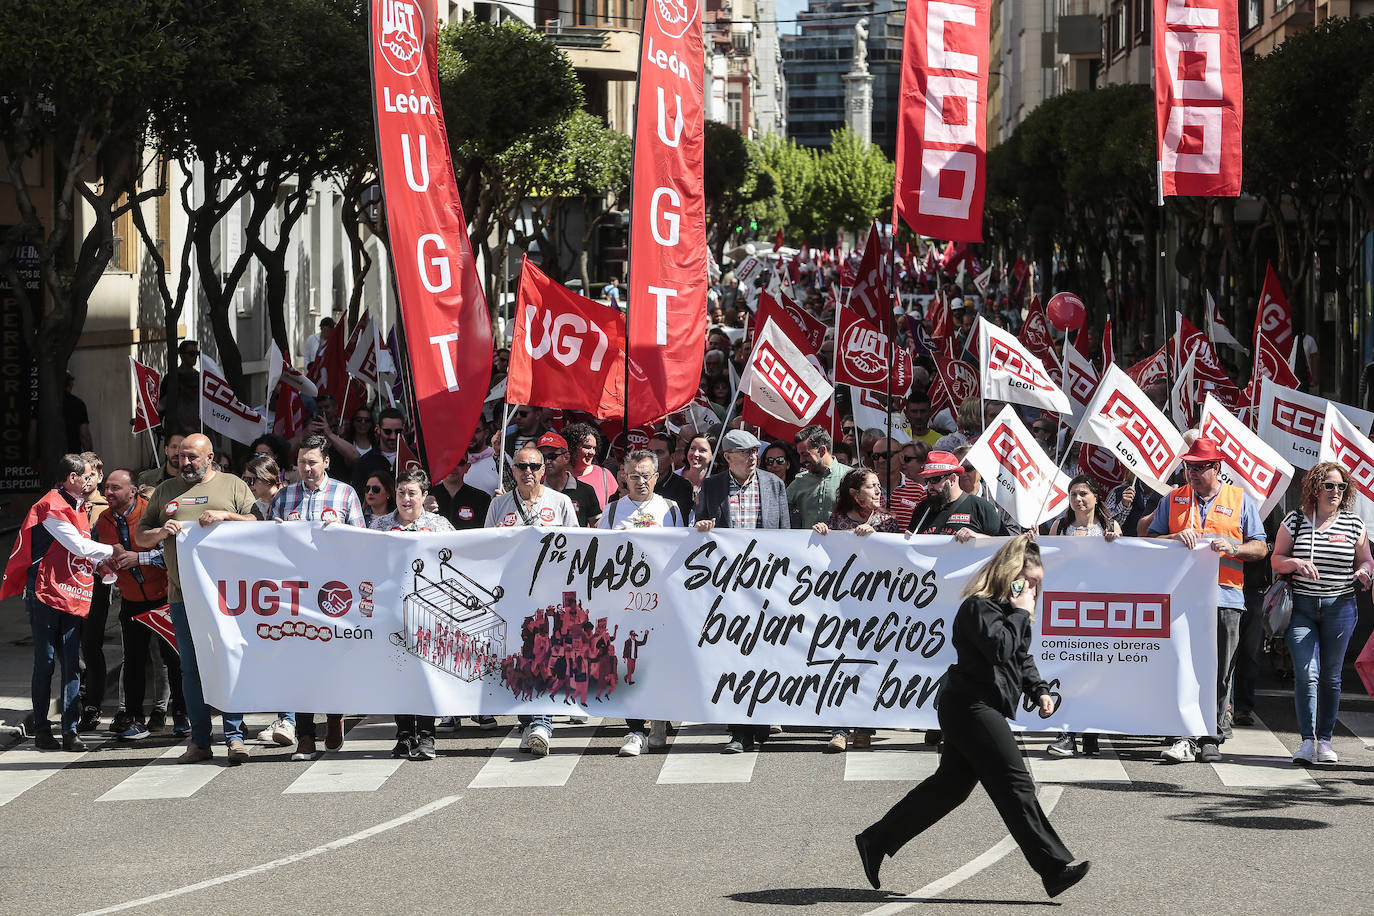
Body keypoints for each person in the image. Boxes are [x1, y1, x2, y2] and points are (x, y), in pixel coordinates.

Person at [855, 536, 1090, 899]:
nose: (1034, 588)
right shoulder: (978, 609)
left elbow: (1020, 658)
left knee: (949, 789)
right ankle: (1053, 869)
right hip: (969, 707)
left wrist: (1039, 690)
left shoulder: (1008, 612)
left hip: (980, 707)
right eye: (1029, 580)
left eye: (1037, 582)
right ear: (1012, 576)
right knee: (1016, 786)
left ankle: (875, 839)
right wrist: (1022, 612)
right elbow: (1000, 650)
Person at [135, 434, 257, 763]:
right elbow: (141, 536)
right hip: (182, 596)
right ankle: (199, 741)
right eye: (180, 456)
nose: (184, 462)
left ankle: (234, 737)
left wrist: (226, 516)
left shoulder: (233, 486)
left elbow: (258, 523)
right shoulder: (165, 491)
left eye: (192, 457)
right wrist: (161, 532)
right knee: (190, 669)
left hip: (227, 598)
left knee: (227, 661)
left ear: (210, 457)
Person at [1148, 437, 1267, 764]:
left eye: (1200, 467)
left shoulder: (1240, 500)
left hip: (1226, 596)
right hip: (1181, 597)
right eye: (1189, 466)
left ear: (1217, 468)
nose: (1192, 473)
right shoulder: (1173, 500)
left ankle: (1211, 735)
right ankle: (1181, 735)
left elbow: (1261, 547)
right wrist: (1173, 537)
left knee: (1220, 670)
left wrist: (1234, 548)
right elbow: (1150, 541)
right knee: (1181, 663)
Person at [1, 455, 130, 751]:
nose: (90, 481)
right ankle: (44, 730)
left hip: (71, 590)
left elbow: (80, 553)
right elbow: (79, 545)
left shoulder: (78, 506)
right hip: (45, 592)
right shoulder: (50, 506)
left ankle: (71, 730)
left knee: (73, 662)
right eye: (86, 476)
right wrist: (113, 549)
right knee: (45, 662)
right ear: (71, 479)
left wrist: (101, 566)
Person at [269, 433, 366, 760]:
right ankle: (306, 735)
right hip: (295, 594)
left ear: (326, 462)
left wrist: (340, 530)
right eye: (301, 463)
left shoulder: (345, 494)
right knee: (300, 665)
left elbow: (364, 544)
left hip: (333, 595)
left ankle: (335, 715)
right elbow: (268, 545)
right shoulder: (284, 498)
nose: (307, 468)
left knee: (333, 661)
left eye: (312, 462)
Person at [694, 429, 790, 753]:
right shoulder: (712, 487)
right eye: (745, 452)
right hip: (728, 587)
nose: (753, 457)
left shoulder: (774, 484)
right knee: (734, 657)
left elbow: (785, 534)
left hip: (765, 584)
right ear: (727, 457)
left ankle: (761, 720)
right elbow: (699, 532)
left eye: (754, 451)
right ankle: (739, 731)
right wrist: (704, 526)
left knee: (764, 654)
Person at [1271, 462, 1373, 765]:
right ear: (1315, 488)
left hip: (1340, 607)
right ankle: (1306, 741)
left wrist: (1365, 573)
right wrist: (1296, 563)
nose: (1335, 491)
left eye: (1341, 487)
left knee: (1331, 677)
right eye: (1329, 485)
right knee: (1307, 673)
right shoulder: (1296, 520)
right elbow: (1276, 559)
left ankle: (1325, 741)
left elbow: (1367, 560)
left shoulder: (1354, 524)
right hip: (1302, 607)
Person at [485, 445, 579, 757]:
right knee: (521, 658)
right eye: (521, 466)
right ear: (512, 471)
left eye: (534, 466)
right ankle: (528, 719)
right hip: (511, 594)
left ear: (543, 470)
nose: (528, 472)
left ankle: (542, 722)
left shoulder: (561, 502)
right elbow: (484, 547)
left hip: (548, 594)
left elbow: (576, 548)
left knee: (546, 655)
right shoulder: (499, 505)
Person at [599, 449, 685, 756]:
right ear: (624, 477)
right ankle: (635, 730)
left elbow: (681, 555)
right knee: (629, 663)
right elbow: (597, 557)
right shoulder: (611, 512)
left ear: (656, 477)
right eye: (634, 476)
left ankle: (660, 718)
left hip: (660, 601)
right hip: (624, 605)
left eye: (646, 475)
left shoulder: (671, 510)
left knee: (659, 661)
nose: (640, 481)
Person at [811, 467, 899, 754]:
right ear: (854, 494)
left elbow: (897, 562)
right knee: (844, 664)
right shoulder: (836, 521)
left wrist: (876, 538)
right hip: (843, 607)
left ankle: (864, 728)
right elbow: (824, 557)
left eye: (878, 486)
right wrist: (822, 533)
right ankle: (840, 728)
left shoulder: (887, 522)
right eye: (872, 487)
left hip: (878, 607)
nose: (878, 491)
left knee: (870, 666)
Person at [370, 468, 456, 760]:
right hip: (390, 612)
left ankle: (427, 735)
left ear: (424, 495)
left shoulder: (439, 525)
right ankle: (404, 734)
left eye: (412, 493)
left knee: (426, 674)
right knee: (398, 674)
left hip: (429, 613)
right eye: (401, 492)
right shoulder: (379, 525)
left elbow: (459, 557)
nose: (405, 499)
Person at [94, 469, 186, 741]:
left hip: (163, 596)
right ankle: (134, 719)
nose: (108, 493)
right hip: (131, 600)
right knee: (133, 660)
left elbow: (172, 552)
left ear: (133, 491)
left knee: (174, 658)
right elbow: (98, 555)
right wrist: (106, 565)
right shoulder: (103, 520)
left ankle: (181, 714)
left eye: (115, 488)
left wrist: (139, 558)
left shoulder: (151, 513)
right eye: (106, 488)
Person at [1043, 475, 1120, 758]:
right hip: (1066, 610)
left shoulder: (1110, 527)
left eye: (1084, 493)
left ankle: (1090, 735)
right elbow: (1048, 562)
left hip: (1098, 612)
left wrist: (1115, 544)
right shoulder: (1059, 526)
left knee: (1094, 674)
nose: (1078, 499)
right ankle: (1068, 732)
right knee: (1069, 672)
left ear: (1096, 497)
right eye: (1074, 494)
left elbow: (1124, 566)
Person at [906, 450, 1005, 540]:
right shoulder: (923, 509)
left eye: (934, 480)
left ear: (952, 479)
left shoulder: (980, 507)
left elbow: (1007, 545)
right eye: (926, 480)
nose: (929, 486)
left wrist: (979, 537)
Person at [787, 424, 852, 530]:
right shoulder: (800, 481)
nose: (801, 461)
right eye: (799, 455)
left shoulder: (851, 477)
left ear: (822, 450)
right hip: (808, 545)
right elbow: (779, 509)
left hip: (844, 545)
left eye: (805, 454)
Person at [537, 431, 600, 527]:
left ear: (566, 457)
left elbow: (597, 525)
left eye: (552, 456)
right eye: (542, 457)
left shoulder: (586, 491)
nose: (547, 461)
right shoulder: (535, 492)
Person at [870, 437, 925, 532]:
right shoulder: (864, 488)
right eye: (876, 456)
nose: (881, 460)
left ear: (901, 457)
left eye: (886, 455)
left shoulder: (918, 491)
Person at [564, 422, 616, 510]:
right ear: (571, 447)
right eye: (587, 447)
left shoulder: (605, 475)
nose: (592, 453)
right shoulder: (557, 474)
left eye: (594, 448)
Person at [430, 457, 491, 531]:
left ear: (467, 467)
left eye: (459, 462)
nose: (453, 467)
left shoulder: (482, 499)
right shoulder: (426, 497)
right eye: (446, 462)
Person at [648, 432, 695, 521]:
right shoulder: (636, 482)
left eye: (659, 452)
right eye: (649, 452)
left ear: (672, 457)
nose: (653, 457)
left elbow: (680, 520)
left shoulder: (683, 486)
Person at [242, 455, 283, 520]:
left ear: (267, 479)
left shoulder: (287, 500)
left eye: (251, 480)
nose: (248, 485)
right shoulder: (256, 505)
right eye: (246, 480)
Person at [679, 433, 716, 499]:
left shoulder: (718, 485)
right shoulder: (673, 477)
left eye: (702, 450)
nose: (696, 454)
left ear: (713, 455)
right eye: (692, 448)